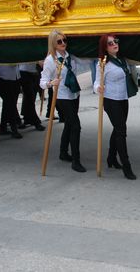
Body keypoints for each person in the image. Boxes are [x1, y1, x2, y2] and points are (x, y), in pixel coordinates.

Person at [40, 30, 89, 173]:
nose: (63, 44)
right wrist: (51, 82)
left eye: (64, 40)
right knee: (75, 126)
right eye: (59, 41)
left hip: (74, 93)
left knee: (69, 124)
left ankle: (63, 152)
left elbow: (85, 60)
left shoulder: (68, 56)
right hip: (61, 96)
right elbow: (42, 82)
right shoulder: (50, 60)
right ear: (53, 44)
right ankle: (76, 161)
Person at [94, 35, 139, 180]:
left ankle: (111, 158)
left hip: (123, 98)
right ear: (105, 48)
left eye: (115, 42)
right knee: (121, 131)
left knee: (118, 128)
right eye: (110, 43)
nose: (114, 44)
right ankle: (127, 167)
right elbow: (96, 82)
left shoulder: (121, 60)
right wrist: (98, 88)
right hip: (110, 100)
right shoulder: (103, 63)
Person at [0, 65, 24, 139]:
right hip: (4, 79)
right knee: (11, 105)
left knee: (8, 105)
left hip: (16, 78)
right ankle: (14, 129)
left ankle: (3, 127)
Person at [19, 63, 45, 130]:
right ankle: (35, 122)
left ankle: (27, 118)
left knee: (30, 98)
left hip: (33, 72)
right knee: (30, 98)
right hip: (24, 72)